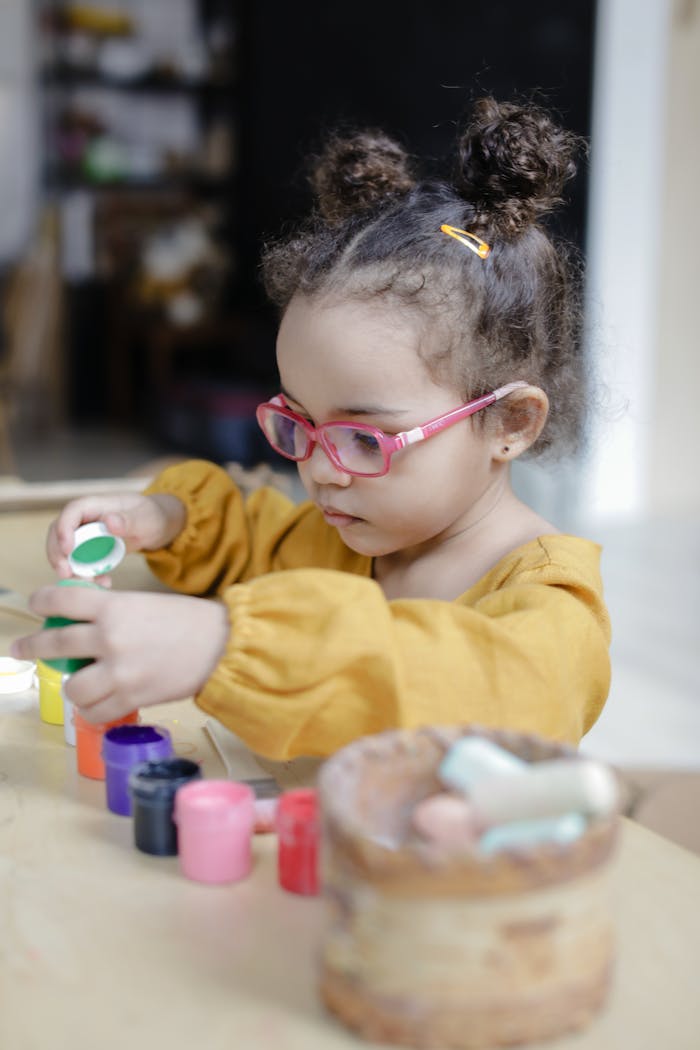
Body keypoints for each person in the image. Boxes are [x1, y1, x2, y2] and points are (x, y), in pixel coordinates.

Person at [12, 98, 611, 761]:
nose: (322, 470)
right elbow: (253, 538)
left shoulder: (548, 598)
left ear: (509, 421)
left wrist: (224, 645)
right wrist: (165, 518)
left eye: (365, 439)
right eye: (301, 421)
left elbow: (492, 691)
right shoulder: (351, 538)